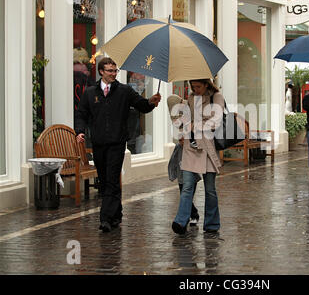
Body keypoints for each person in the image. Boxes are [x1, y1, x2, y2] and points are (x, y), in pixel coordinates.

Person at [75, 57, 161, 233]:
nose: (113, 74)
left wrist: (152, 102)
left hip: (117, 142)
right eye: (110, 71)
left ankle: (105, 218)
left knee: (113, 178)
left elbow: (142, 106)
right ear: (101, 72)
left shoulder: (124, 91)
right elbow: (82, 113)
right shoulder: (90, 93)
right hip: (98, 143)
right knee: (105, 179)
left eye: (115, 71)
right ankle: (116, 214)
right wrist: (80, 131)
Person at [172, 78, 224, 234]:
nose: (196, 90)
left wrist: (195, 125)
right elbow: (188, 119)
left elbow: (216, 122)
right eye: (193, 87)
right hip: (191, 146)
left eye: (199, 87)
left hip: (208, 148)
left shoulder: (217, 97)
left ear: (206, 84)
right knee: (187, 186)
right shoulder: (192, 97)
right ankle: (180, 222)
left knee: (209, 189)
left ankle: (212, 224)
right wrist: (181, 128)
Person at [167, 94, 201, 226]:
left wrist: (188, 135)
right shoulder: (175, 108)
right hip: (182, 150)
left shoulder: (192, 107)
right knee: (183, 182)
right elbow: (178, 127)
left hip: (194, 149)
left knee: (189, 181)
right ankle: (191, 212)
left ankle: (188, 215)